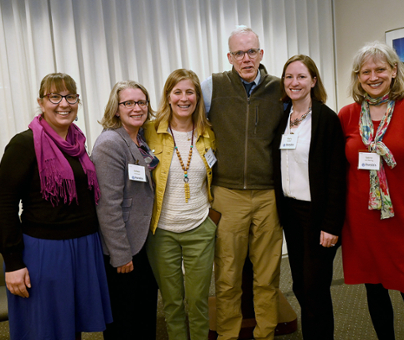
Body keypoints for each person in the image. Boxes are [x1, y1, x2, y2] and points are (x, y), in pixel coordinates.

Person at [0, 73, 112, 340]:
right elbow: (4, 204)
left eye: (70, 97)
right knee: (45, 328)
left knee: (71, 326)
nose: (63, 104)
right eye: (54, 96)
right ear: (41, 102)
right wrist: (12, 262)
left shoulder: (77, 143)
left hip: (83, 246)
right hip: (45, 251)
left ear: (78, 102)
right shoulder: (23, 144)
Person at [339, 42, 404, 340]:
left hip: (403, 221)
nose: (373, 77)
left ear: (394, 71)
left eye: (380, 69)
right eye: (366, 71)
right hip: (362, 222)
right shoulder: (347, 115)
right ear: (358, 76)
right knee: (375, 292)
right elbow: (338, 167)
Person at [201, 25, 284, 340]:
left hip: (268, 196)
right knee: (227, 276)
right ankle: (228, 335)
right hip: (228, 195)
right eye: (239, 53)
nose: (246, 58)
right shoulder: (213, 87)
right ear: (229, 56)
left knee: (267, 275)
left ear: (261, 54)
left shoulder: (280, 89)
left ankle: (265, 334)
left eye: (252, 51)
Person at [273, 55, 346, 339]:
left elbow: (337, 176)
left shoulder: (326, 119)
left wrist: (331, 225)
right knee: (302, 285)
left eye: (301, 76)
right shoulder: (284, 117)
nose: (295, 82)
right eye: (289, 77)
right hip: (290, 214)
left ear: (313, 81)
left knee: (315, 288)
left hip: (317, 217)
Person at [145, 69, 217, 340]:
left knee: (198, 302)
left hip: (199, 228)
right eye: (178, 92)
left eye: (190, 92)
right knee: (172, 304)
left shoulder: (209, 133)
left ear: (198, 97)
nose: (184, 98)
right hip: (162, 232)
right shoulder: (149, 132)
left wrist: (213, 220)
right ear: (168, 96)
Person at [91, 81, 159, 339]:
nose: (136, 108)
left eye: (141, 102)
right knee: (123, 320)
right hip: (124, 248)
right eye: (128, 103)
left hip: (142, 242)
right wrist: (120, 254)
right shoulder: (110, 143)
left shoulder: (140, 139)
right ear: (116, 108)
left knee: (143, 312)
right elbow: (107, 205)